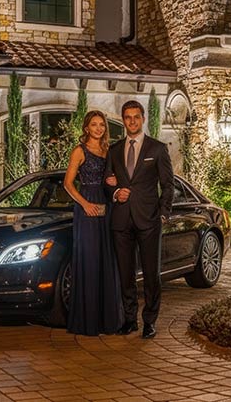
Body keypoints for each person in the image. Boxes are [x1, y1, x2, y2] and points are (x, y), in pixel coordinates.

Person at [105, 100, 174, 339]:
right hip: (121, 220)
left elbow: (168, 185)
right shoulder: (114, 150)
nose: (132, 121)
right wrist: (115, 192)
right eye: (127, 117)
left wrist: (163, 213)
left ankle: (150, 321)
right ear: (123, 120)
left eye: (136, 116)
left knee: (151, 274)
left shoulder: (157, 149)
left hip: (149, 220)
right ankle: (129, 319)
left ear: (143, 118)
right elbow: (106, 183)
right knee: (126, 274)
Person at [62, 110, 124, 336]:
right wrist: (85, 204)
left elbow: (117, 178)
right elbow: (68, 184)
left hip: (107, 207)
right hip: (86, 209)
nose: (98, 128)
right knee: (89, 261)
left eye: (102, 125)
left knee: (107, 260)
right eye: (94, 125)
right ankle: (87, 321)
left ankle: (108, 321)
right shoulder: (79, 151)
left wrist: (116, 180)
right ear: (86, 128)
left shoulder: (109, 151)